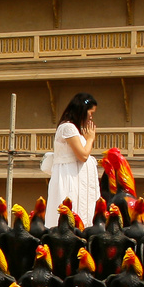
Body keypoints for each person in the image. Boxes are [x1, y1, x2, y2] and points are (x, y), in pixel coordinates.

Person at [42, 93, 100, 222]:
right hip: (69, 177)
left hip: (77, 177)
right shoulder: (68, 127)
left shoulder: (74, 130)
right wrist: (90, 139)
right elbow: (83, 155)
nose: (91, 117)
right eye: (91, 112)